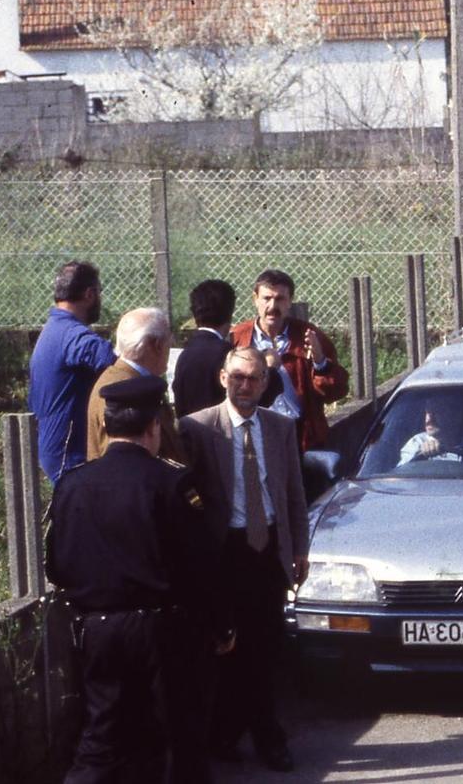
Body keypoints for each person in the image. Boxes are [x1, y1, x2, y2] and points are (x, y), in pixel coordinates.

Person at [46, 372, 231, 784]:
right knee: (179, 739)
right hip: (163, 632)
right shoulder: (173, 483)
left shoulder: (72, 485)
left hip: (96, 630)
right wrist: (221, 626)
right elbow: (201, 565)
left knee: (101, 738)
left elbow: (56, 565)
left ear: (105, 427)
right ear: (153, 428)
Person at [179, 348, 308, 773]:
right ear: (222, 377)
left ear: (265, 383)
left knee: (266, 646)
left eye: (253, 379)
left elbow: (292, 493)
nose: (245, 385)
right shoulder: (197, 429)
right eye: (237, 377)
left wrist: (299, 549)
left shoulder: (280, 427)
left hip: (267, 546)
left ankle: (257, 736)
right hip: (225, 551)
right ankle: (236, 733)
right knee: (228, 647)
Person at [229, 269, 347, 452]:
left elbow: (336, 392)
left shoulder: (309, 337)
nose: (272, 306)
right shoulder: (238, 338)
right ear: (255, 299)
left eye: (280, 299)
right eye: (267, 298)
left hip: (300, 437)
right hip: (252, 433)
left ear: (290, 301)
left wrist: (320, 362)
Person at [28, 260, 118, 484]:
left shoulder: (54, 329)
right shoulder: (72, 335)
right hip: (72, 456)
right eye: (99, 292)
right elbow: (117, 367)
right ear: (89, 294)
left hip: (57, 451)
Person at [86, 308, 189, 466]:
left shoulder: (131, 379)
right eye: (169, 337)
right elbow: (121, 460)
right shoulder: (122, 390)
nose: (172, 343)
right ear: (157, 345)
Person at [171, 280, 236, 418]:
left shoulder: (186, 354)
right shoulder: (227, 354)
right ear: (230, 313)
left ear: (195, 315)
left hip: (188, 431)